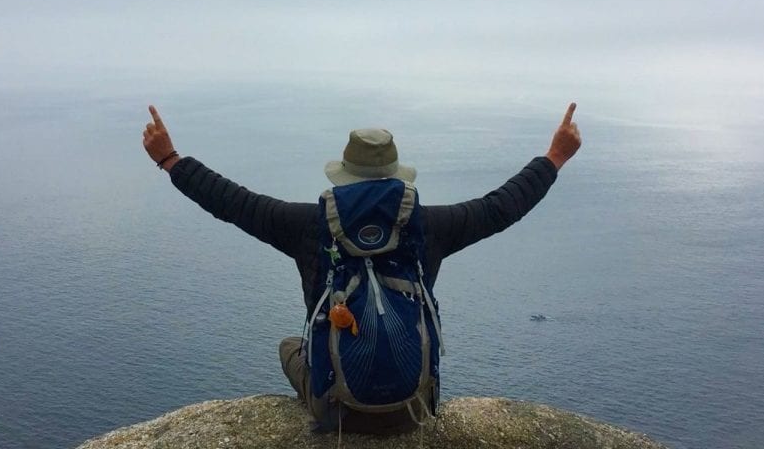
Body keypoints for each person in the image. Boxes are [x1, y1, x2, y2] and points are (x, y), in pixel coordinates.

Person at [141, 102, 582, 434]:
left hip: (336, 411)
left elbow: (232, 202)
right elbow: (503, 206)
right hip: (413, 409)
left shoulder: (306, 226)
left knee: (287, 346)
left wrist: (171, 160)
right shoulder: (429, 226)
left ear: (344, 175)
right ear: (395, 175)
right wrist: (555, 156)